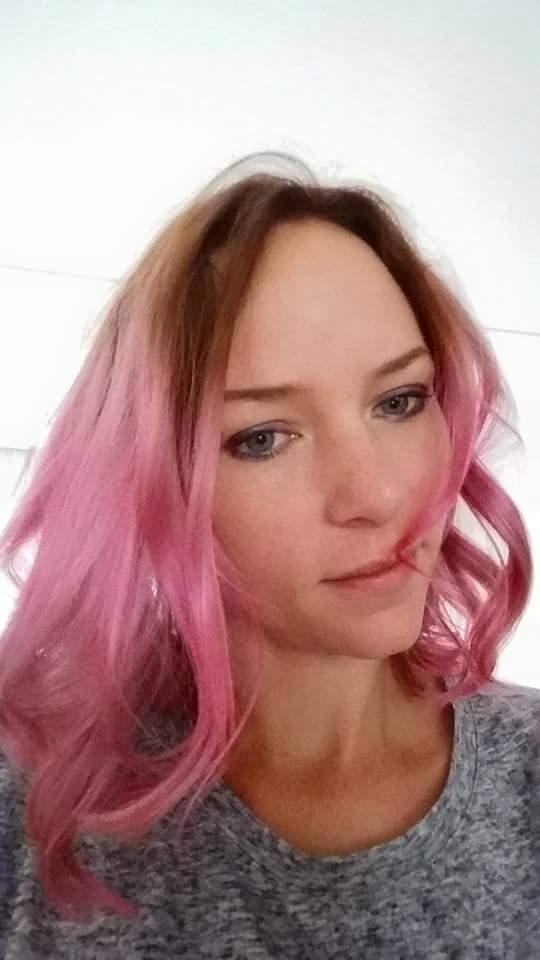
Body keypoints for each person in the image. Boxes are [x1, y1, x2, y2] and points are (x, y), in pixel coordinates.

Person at [0, 151, 539, 958]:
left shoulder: (524, 775)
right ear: (152, 479)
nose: (377, 494)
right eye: (263, 438)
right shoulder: (31, 800)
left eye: (399, 401)